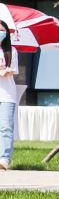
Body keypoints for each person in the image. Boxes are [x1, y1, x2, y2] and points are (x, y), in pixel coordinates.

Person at [0, 20, 19, 171]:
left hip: (7, 95)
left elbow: (13, 70)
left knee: (6, 127)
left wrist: (6, 72)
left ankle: (4, 159)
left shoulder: (12, 51)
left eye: (2, 30)